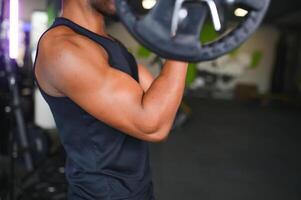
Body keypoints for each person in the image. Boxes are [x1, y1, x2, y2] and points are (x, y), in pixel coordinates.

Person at [33, 0, 188, 199]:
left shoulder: (109, 43)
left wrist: (173, 30)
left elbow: (162, 105)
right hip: (102, 195)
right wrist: (184, 39)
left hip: (137, 189)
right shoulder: (62, 49)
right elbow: (152, 124)